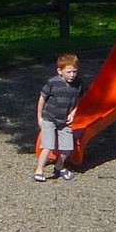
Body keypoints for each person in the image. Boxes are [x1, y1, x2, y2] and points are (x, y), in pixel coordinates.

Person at [33, 53, 83, 182]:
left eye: (74, 71)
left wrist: (73, 113)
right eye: (69, 72)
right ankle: (39, 169)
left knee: (67, 147)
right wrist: (39, 117)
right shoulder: (53, 83)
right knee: (48, 145)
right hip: (49, 118)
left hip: (65, 120)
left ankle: (59, 166)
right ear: (60, 71)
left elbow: (78, 99)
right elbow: (42, 98)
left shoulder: (78, 84)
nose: (72, 75)